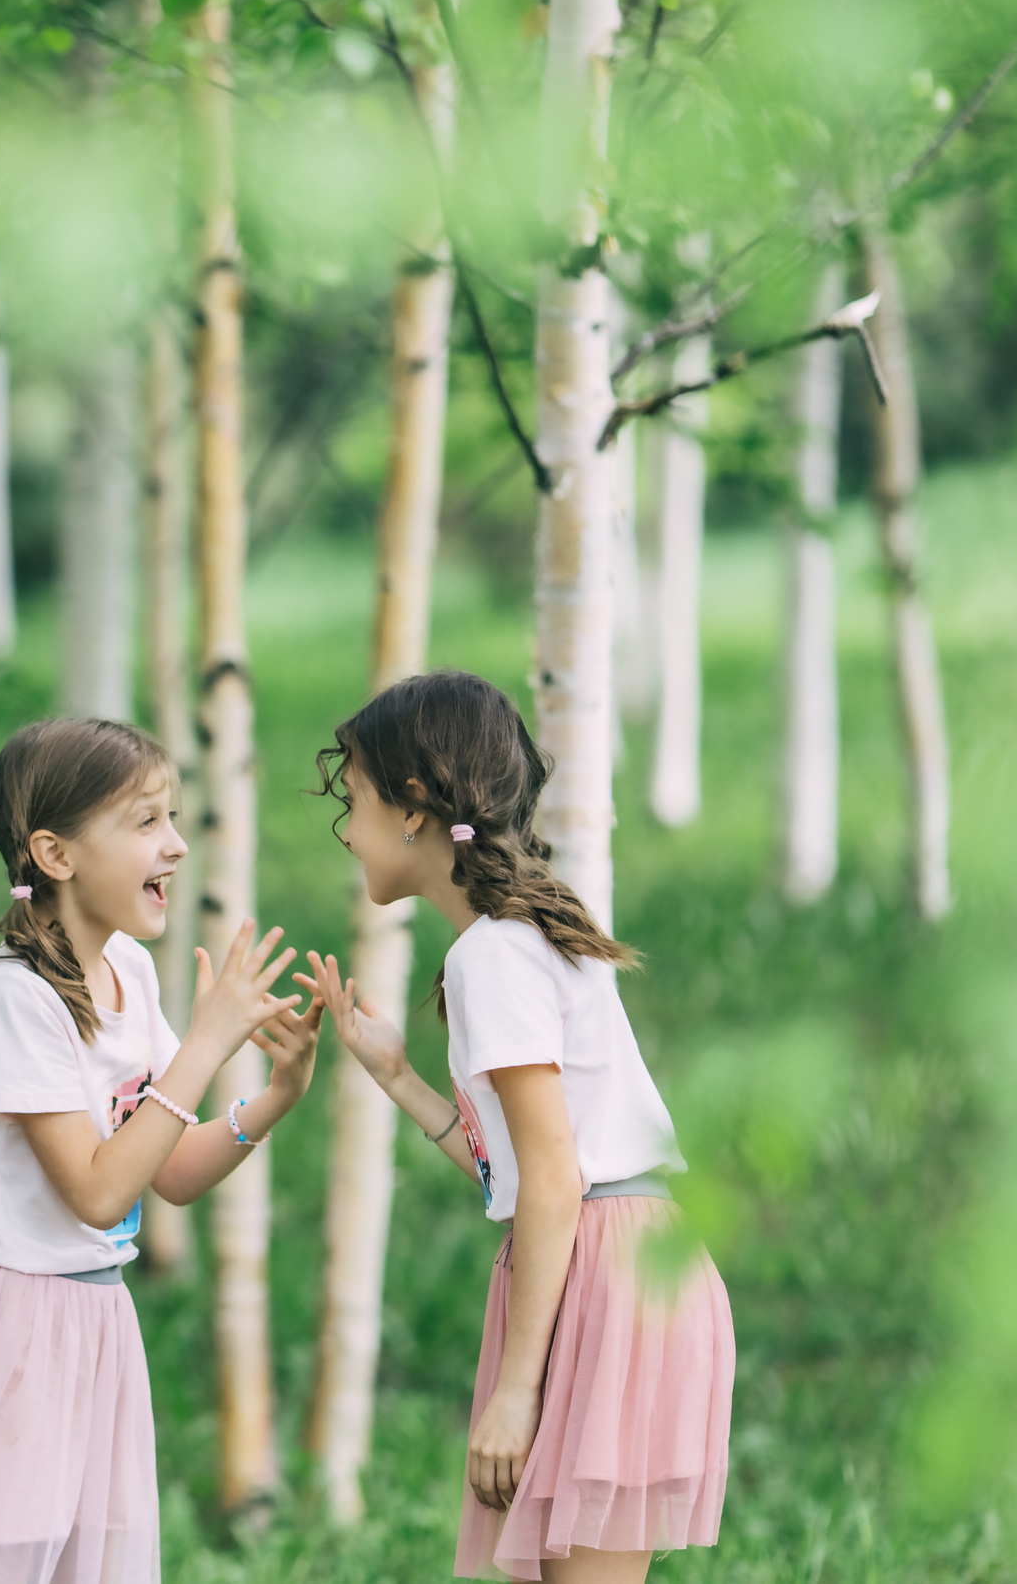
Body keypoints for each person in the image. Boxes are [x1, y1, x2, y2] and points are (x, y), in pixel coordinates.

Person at [0, 717, 320, 1584]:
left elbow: (167, 1170)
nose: (175, 843)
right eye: (146, 821)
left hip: (96, 1320)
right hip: (10, 1325)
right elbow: (99, 1192)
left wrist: (275, 1097)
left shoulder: (130, 975)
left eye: (173, 817)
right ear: (56, 853)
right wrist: (205, 1045)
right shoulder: (16, 1000)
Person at [300, 669, 735, 1583]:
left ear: (412, 807)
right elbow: (523, 1168)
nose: (348, 828)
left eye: (357, 798)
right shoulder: (518, 935)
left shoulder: (493, 955)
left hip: (603, 1271)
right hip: (613, 1254)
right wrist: (398, 1076)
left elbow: (553, 1177)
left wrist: (515, 1389)